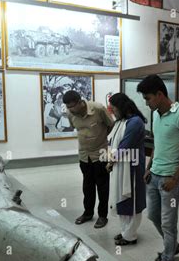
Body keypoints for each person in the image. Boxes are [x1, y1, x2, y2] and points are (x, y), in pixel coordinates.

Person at [137, 74, 179, 261]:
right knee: (153, 215)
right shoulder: (155, 115)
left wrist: (176, 177)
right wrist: (149, 166)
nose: (146, 102)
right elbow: (158, 144)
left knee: (169, 224)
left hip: (170, 180)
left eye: (148, 98)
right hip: (154, 176)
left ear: (160, 94)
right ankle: (174, 246)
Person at [63, 90, 114, 229]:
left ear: (80, 102)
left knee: (102, 186)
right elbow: (75, 127)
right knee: (87, 186)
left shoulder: (98, 109)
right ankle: (88, 213)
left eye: (72, 106)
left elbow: (111, 124)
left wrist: (101, 138)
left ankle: (103, 216)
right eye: (68, 107)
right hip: (84, 155)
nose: (70, 110)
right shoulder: (70, 114)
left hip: (101, 154)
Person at [106, 93, 147, 246]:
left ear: (122, 107)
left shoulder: (135, 122)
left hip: (132, 167)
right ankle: (125, 231)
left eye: (114, 108)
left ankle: (131, 235)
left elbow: (125, 145)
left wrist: (111, 161)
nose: (113, 111)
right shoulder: (122, 121)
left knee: (133, 200)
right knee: (122, 200)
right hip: (121, 165)